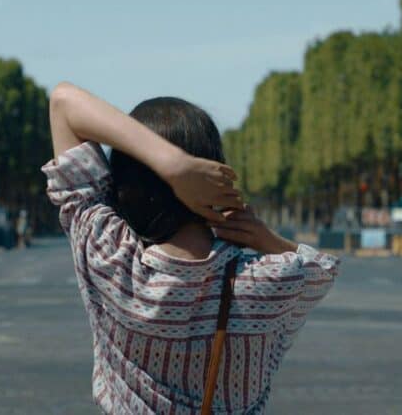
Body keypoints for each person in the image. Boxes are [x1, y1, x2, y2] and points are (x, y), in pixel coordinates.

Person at [42, 82, 339, 414]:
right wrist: (265, 239)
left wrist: (173, 165)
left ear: (126, 184)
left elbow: (64, 103)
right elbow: (321, 270)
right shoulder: (273, 282)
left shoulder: (111, 261)